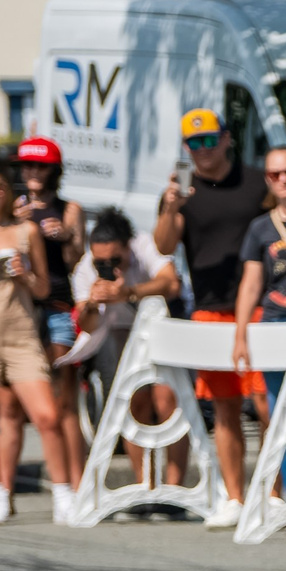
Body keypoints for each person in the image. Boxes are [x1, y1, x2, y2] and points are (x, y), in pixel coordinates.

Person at [151, 108, 271, 529]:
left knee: (267, 402)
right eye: (193, 142)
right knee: (225, 406)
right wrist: (171, 208)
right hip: (209, 307)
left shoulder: (257, 182)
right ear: (186, 148)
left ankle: (273, 494)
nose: (202, 149)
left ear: (226, 139)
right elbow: (164, 246)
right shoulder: (179, 191)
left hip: (260, 306)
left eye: (209, 139)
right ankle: (235, 497)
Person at [0, 160, 77, 523]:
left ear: (9, 189)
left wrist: (26, 275)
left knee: (46, 415)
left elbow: (43, 289)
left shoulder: (26, 230)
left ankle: (64, 493)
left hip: (20, 332)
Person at [227, 146, 286, 520]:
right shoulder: (260, 227)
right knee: (284, 414)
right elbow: (251, 284)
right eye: (274, 174)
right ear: (267, 179)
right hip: (275, 323)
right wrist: (240, 335)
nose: (283, 180)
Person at [71, 208, 185, 490]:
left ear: (127, 247)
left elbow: (171, 283)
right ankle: (144, 485)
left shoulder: (144, 245)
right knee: (133, 404)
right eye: (100, 262)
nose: (108, 267)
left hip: (162, 328)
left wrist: (129, 292)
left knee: (168, 402)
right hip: (119, 334)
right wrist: (92, 303)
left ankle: (175, 487)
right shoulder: (85, 269)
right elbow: (87, 325)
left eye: (115, 259)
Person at [5, 138, 89, 492]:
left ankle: (78, 486)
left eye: (40, 166)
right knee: (12, 405)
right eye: (27, 165)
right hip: (18, 311)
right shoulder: (13, 206)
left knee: (64, 401)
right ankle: (2, 490)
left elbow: (76, 261)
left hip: (57, 307)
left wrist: (66, 236)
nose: (33, 172)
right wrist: (15, 224)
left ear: (54, 171)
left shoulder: (69, 209)